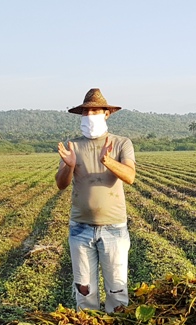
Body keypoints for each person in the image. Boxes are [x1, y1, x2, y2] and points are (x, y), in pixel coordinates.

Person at [56, 88, 136, 313]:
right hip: (80, 228)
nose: (90, 116)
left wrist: (108, 161)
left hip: (114, 228)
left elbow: (130, 177)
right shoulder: (73, 146)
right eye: (86, 112)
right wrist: (70, 165)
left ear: (106, 114)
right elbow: (61, 184)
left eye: (95, 111)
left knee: (117, 292)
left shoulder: (121, 144)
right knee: (84, 291)